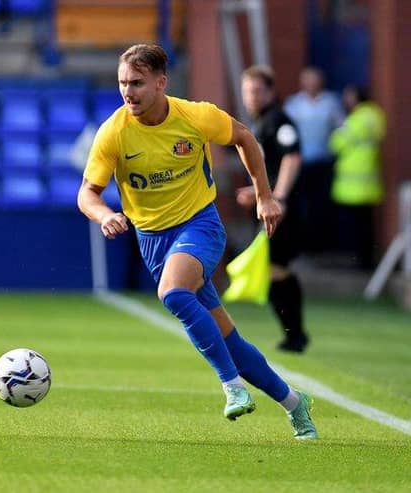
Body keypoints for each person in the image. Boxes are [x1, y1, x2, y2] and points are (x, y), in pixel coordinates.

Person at [77, 44, 317, 439]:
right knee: (229, 340)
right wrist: (105, 215)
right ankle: (294, 403)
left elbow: (243, 137)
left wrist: (264, 195)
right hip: (152, 239)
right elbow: (87, 193)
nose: (128, 92)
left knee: (171, 293)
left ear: (161, 82)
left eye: (137, 83)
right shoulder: (114, 133)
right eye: (123, 83)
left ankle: (231, 387)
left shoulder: (194, 116)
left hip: (199, 226)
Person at [238, 65, 310, 353]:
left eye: (257, 91)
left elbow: (292, 158)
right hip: (273, 206)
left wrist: (277, 197)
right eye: (247, 91)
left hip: (284, 210)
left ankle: (296, 335)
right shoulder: (261, 122)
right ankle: (295, 335)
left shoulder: (279, 121)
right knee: (273, 270)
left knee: (275, 270)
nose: (252, 97)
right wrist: (258, 193)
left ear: (270, 92)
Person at [284, 67, 344, 252]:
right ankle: (305, 246)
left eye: (314, 80)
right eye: (307, 80)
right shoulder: (294, 104)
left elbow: (341, 128)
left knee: (322, 204)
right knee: (302, 203)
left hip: (324, 161)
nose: (311, 84)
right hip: (300, 162)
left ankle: (323, 245)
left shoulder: (331, 103)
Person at [329, 85, 386, 270]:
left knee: (355, 227)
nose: (346, 100)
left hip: (352, 184)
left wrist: (337, 130)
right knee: (367, 225)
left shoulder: (356, 119)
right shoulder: (376, 116)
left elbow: (336, 143)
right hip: (369, 181)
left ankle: (359, 262)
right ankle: (366, 260)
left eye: (348, 96)